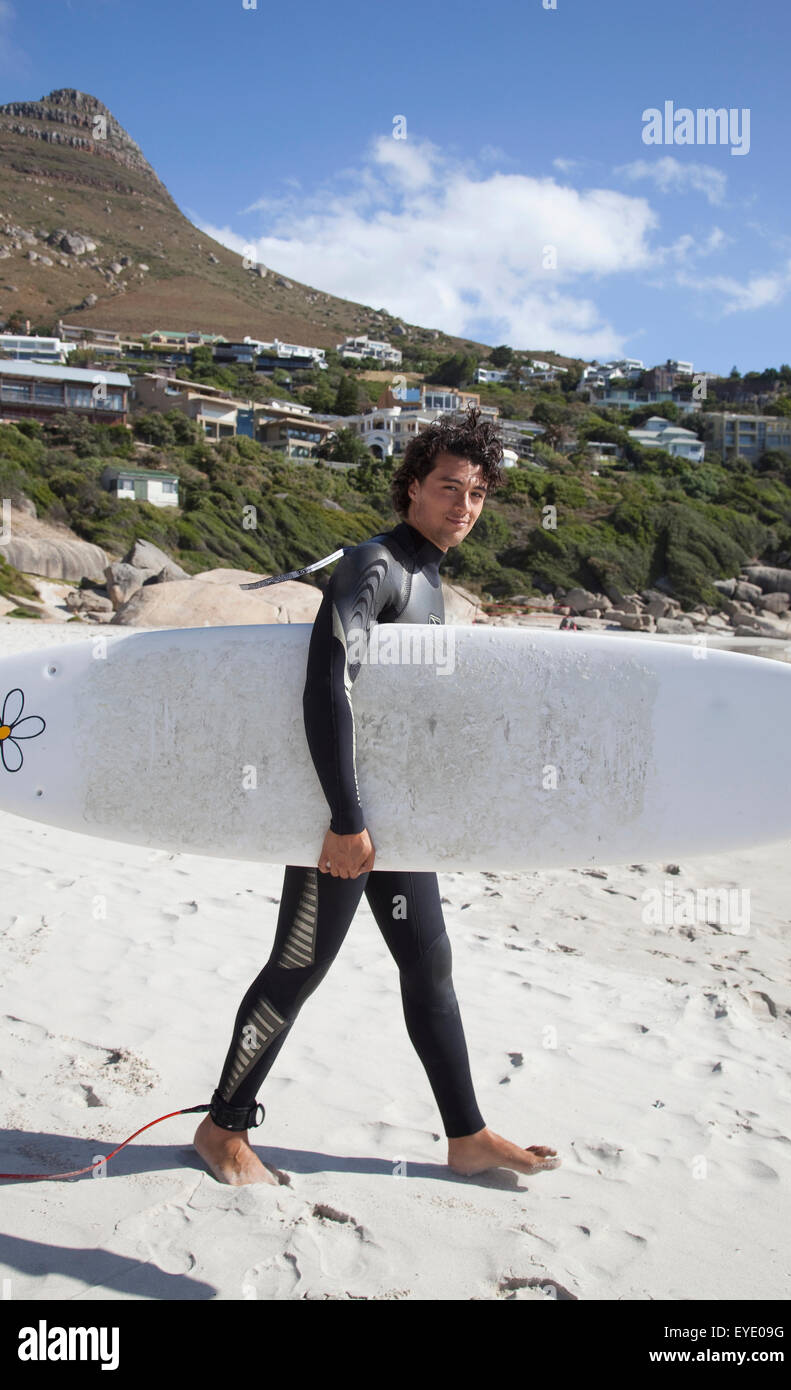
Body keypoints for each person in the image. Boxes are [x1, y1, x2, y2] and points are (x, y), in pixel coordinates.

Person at [194, 407, 561, 1185]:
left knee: (429, 966)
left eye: (478, 493)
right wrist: (344, 820)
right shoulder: (374, 566)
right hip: (343, 817)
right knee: (299, 966)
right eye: (449, 487)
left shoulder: (429, 579)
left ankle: (466, 1135)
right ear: (412, 488)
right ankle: (222, 1129)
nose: (464, 505)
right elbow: (328, 682)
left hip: (395, 824)